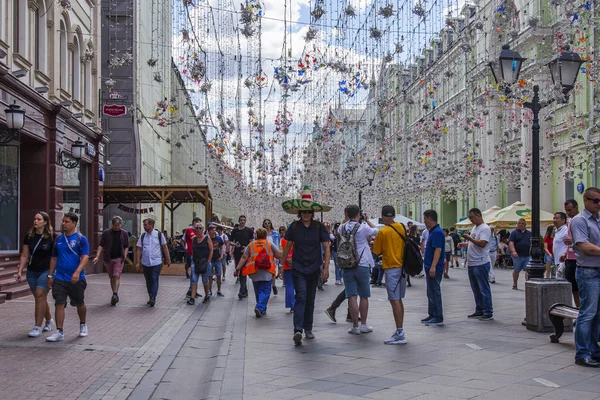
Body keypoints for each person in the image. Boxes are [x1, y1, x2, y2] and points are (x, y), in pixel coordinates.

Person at [280, 186, 331, 345]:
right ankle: (298, 329)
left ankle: (308, 327)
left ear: (313, 213)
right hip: (298, 267)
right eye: (304, 212)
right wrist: (281, 266)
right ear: (299, 213)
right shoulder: (294, 227)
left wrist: (326, 267)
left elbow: (326, 247)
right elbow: (287, 246)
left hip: (314, 267)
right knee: (301, 296)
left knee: (310, 298)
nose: (306, 214)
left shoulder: (319, 226)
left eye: (309, 212)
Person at [46, 212, 90, 342]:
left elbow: (85, 257)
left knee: (79, 303)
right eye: (63, 221)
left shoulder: (81, 239)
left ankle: (83, 324)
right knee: (59, 303)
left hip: (76, 278)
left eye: (66, 221)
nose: (63, 224)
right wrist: (50, 275)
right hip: (60, 277)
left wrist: (77, 272)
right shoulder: (59, 239)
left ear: (74, 223)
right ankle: (59, 331)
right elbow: (54, 258)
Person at [570, 188, 600, 367]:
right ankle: (582, 354)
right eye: (595, 201)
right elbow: (585, 247)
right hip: (588, 271)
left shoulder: (598, 219)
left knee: (597, 315)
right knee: (587, 314)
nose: (599, 204)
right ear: (586, 200)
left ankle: (594, 350)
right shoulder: (579, 220)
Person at [339, 205, 378, 335]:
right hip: (362, 264)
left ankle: (355, 327)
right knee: (364, 296)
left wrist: (346, 218)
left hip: (347, 263)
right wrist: (367, 220)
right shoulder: (363, 227)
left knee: (351, 296)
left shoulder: (341, 227)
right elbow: (377, 231)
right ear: (358, 215)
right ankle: (364, 325)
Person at [372, 205, 407, 345]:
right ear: (394, 215)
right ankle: (400, 329)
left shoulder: (383, 232)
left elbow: (376, 251)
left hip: (391, 268)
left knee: (394, 300)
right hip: (403, 267)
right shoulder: (402, 227)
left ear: (383, 216)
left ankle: (400, 333)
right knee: (399, 299)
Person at [16, 212, 55, 337]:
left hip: (46, 271)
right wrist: (20, 270)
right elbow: (25, 254)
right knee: (40, 298)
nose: (35, 221)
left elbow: (55, 257)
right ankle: (49, 319)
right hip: (32, 271)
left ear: (45, 222)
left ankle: (37, 327)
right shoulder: (29, 236)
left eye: (39, 219)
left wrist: (51, 274)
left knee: (39, 295)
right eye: (34, 219)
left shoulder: (52, 237)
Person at [235, 228, 283, 317]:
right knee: (265, 291)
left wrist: (237, 268)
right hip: (267, 271)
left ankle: (261, 309)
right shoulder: (269, 244)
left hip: (254, 272)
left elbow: (244, 257)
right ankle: (260, 307)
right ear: (265, 235)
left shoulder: (251, 245)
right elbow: (279, 255)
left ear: (256, 235)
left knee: (258, 291)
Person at [459, 208, 493, 321]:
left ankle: (488, 311)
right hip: (473, 263)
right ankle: (479, 309)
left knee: (483, 288)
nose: (471, 219)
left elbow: (482, 243)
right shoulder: (475, 227)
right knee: (476, 288)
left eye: (472, 217)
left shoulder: (485, 229)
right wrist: (464, 244)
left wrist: (469, 238)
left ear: (478, 215)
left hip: (481, 262)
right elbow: (473, 243)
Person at [92, 216, 129, 306]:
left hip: (119, 258)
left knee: (116, 276)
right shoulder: (106, 233)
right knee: (112, 277)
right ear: (112, 224)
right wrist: (97, 256)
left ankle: (115, 294)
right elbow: (101, 245)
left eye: (118, 225)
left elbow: (126, 246)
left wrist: (124, 255)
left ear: (121, 224)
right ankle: (114, 293)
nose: (117, 227)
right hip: (108, 258)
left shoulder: (124, 233)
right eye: (115, 225)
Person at [135, 218, 171, 307]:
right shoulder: (143, 236)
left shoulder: (159, 235)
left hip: (156, 261)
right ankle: (150, 296)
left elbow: (164, 247)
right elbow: (139, 249)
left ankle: (153, 298)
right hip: (146, 262)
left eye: (146, 225)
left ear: (151, 225)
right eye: (144, 225)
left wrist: (168, 258)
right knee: (148, 280)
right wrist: (137, 262)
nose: (144, 226)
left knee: (154, 278)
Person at [422, 210, 445, 326]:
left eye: (425, 218)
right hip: (429, 266)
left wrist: (433, 266)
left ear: (430, 218)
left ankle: (438, 316)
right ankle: (432, 313)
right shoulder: (432, 232)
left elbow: (438, 250)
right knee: (430, 291)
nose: (424, 221)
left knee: (434, 291)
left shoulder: (436, 232)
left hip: (434, 268)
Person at [230, 216, 254, 300]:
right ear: (239, 221)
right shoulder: (235, 230)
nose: (242, 222)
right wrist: (235, 245)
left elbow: (251, 242)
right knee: (240, 270)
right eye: (241, 220)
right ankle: (244, 290)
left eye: (244, 220)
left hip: (246, 253)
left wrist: (246, 248)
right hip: (237, 253)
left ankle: (242, 291)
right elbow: (230, 241)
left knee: (243, 271)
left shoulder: (249, 230)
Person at [189, 222, 213, 305]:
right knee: (194, 280)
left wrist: (209, 260)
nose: (198, 230)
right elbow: (193, 250)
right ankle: (192, 298)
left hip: (205, 262)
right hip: (196, 262)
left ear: (203, 230)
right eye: (197, 228)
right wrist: (192, 259)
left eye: (200, 228)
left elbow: (211, 250)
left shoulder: (207, 238)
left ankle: (207, 295)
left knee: (205, 280)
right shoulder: (194, 239)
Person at [564, 199, 581, 308]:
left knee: (581, 286)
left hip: (580, 258)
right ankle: (578, 308)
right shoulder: (570, 221)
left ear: (576, 207)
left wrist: (573, 241)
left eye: (570, 210)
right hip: (570, 257)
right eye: (566, 210)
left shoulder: (582, 220)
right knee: (573, 286)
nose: (568, 213)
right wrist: (565, 253)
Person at [508, 218, 532, 290]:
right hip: (518, 255)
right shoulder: (514, 233)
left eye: (522, 223)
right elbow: (511, 243)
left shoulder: (529, 233)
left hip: (528, 255)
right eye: (519, 223)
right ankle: (515, 283)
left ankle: (528, 284)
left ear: (525, 225)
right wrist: (514, 251)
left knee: (528, 270)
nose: (520, 225)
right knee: (516, 270)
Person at [279, 227, 295, 312]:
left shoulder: (282, 241)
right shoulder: (296, 239)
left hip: (286, 264)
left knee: (289, 285)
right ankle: (296, 303)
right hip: (296, 264)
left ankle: (291, 304)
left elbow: (281, 253)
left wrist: (280, 265)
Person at [263, 218, 280, 295]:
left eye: (268, 223)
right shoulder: (262, 233)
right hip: (264, 255)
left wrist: (277, 256)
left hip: (272, 255)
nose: (267, 224)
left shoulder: (275, 233)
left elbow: (276, 245)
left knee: (272, 271)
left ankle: (273, 285)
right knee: (265, 271)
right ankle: (267, 286)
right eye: (265, 223)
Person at [207, 224, 224, 297]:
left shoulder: (218, 238)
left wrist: (222, 255)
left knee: (219, 275)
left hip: (217, 259)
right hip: (210, 260)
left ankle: (219, 290)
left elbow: (221, 247)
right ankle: (209, 290)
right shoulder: (207, 239)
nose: (213, 231)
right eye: (212, 230)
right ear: (209, 231)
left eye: (214, 230)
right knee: (210, 276)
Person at [553, 212, 568, 279]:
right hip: (557, 260)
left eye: (557, 218)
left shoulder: (565, 230)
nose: (554, 220)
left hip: (563, 262)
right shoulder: (557, 231)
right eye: (554, 218)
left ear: (563, 220)